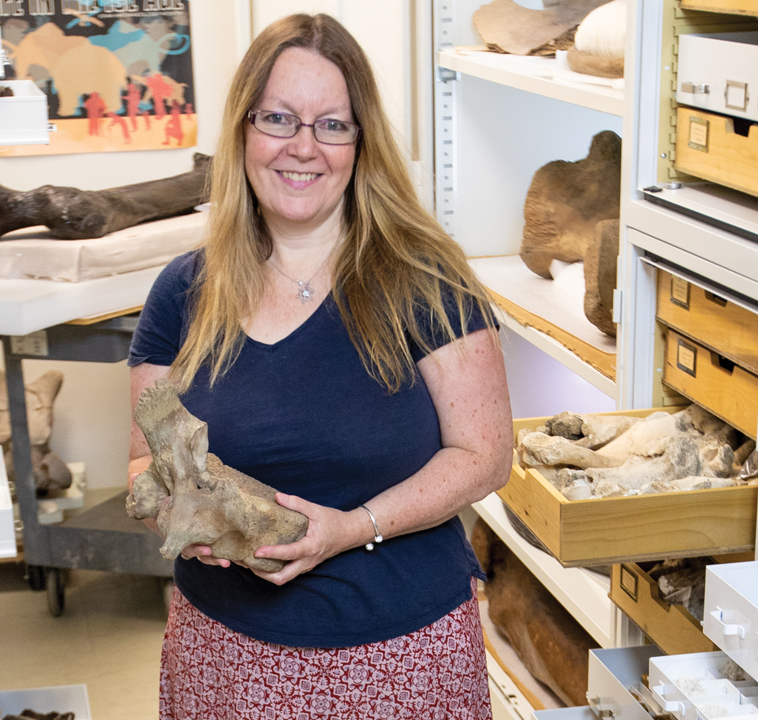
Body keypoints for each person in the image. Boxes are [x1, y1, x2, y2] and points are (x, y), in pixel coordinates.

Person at [127, 13, 511, 718]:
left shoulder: (426, 283)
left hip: (400, 659)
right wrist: (191, 521)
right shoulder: (184, 292)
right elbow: (142, 464)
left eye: (332, 125)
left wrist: (354, 526)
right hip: (226, 656)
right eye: (278, 118)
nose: (303, 148)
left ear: (361, 144)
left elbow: (484, 455)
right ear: (243, 130)